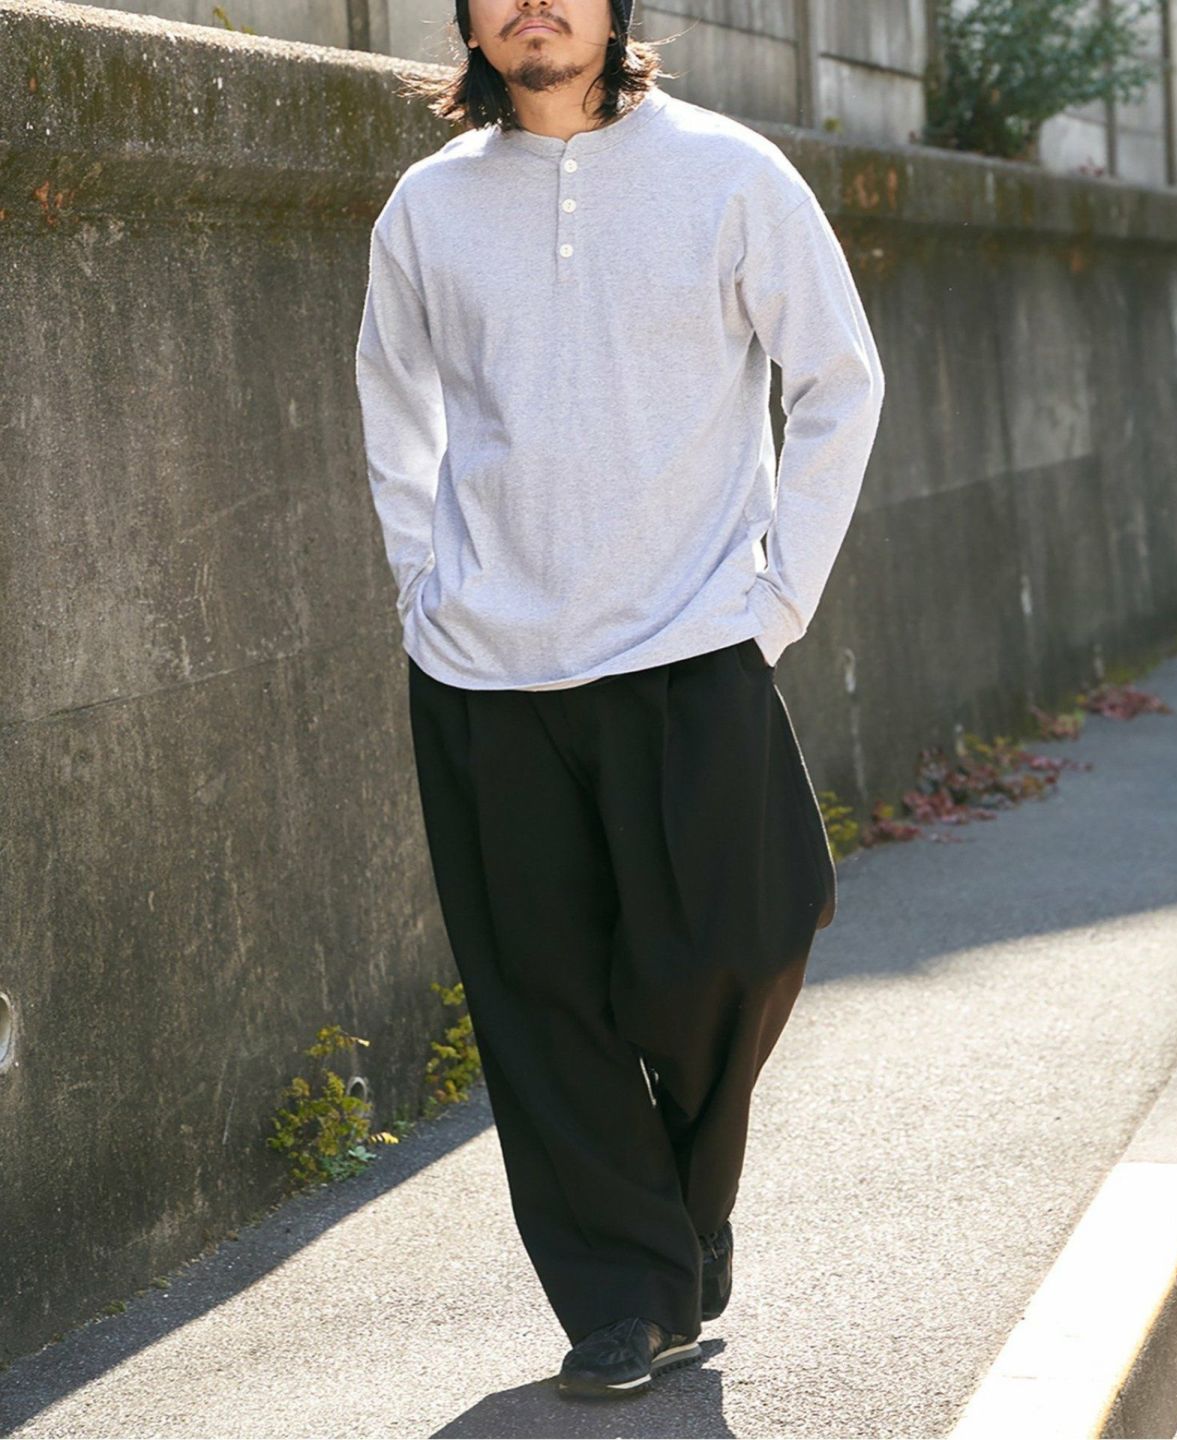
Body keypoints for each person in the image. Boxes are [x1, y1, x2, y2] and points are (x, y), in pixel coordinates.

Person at [354, 0, 885, 1401]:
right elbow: (395, 405)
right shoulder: (428, 208)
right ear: (469, 19)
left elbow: (839, 380)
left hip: (693, 642)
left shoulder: (730, 173)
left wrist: (777, 600)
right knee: (541, 999)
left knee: (742, 941)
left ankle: (678, 1218)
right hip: (487, 663)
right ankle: (624, 1296)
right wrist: (423, 587)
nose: (535, 2)